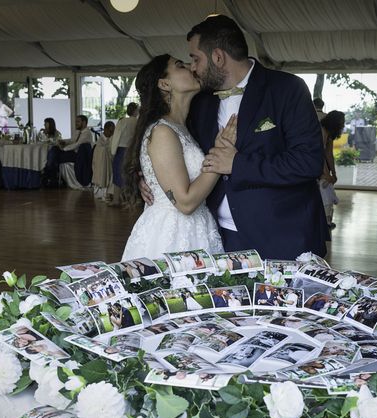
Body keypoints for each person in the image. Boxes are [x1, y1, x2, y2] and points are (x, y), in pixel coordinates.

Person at [140, 15, 327, 260]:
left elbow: (309, 162)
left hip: (283, 235)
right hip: (218, 237)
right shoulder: (200, 101)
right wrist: (147, 176)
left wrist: (237, 164)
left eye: (195, 59)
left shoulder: (286, 89)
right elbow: (171, 146)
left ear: (218, 57)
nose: (193, 67)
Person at [120, 55, 229, 260]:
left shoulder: (183, 126)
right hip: (171, 235)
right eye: (180, 66)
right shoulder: (162, 131)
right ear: (164, 83)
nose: (190, 67)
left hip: (200, 227)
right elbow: (185, 203)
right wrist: (221, 154)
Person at [43, 115, 93, 187]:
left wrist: (63, 149)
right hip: (73, 152)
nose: (76, 123)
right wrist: (64, 142)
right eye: (76, 121)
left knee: (54, 154)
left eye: (78, 122)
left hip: (78, 155)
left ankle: (48, 175)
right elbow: (72, 140)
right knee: (54, 151)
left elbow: (76, 144)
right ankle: (52, 178)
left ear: (84, 122)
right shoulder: (78, 132)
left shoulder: (87, 133)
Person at [109, 102, 138, 206]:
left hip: (121, 150)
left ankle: (116, 200)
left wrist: (113, 152)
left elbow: (116, 137)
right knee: (131, 175)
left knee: (118, 174)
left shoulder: (123, 121)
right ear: (135, 111)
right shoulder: (138, 122)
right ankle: (131, 200)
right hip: (133, 150)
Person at [319, 111, 344, 230]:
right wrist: (325, 174)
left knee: (326, 186)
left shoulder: (330, 134)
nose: (343, 126)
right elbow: (318, 155)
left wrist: (333, 173)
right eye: (342, 123)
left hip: (318, 162)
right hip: (311, 162)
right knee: (324, 188)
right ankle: (324, 220)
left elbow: (329, 154)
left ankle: (327, 219)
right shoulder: (321, 131)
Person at [92, 121, 115, 200]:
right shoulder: (99, 141)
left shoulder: (112, 139)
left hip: (109, 164)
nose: (111, 133)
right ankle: (101, 193)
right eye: (110, 131)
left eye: (113, 131)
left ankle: (109, 193)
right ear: (105, 129)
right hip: (101, 164)